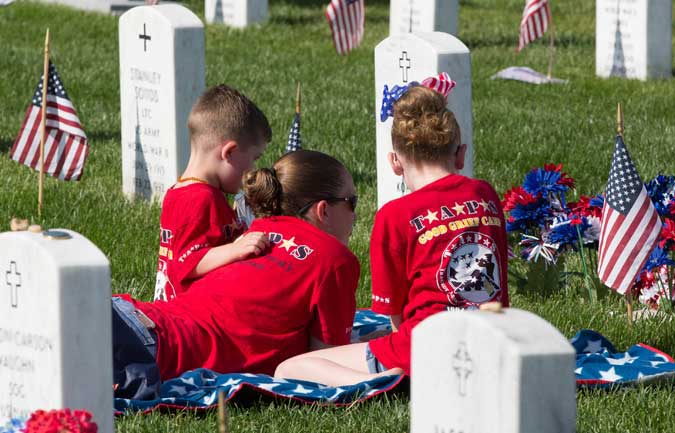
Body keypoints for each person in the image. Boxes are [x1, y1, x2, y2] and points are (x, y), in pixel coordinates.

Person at [275, 86, 508, 386]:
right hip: (493, 339)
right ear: (460, 155)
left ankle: (383, 380)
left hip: (425, 349)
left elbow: (395, 316)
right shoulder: (485, 193)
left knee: (289, 368)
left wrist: (392, 346)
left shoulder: (395, 215)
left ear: (394, 162)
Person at [113, 150, 364, 400]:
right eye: (351, 202)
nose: (355, 214)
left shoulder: (253, 232)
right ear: (324, 210)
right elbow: (324, 358)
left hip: (130, 316)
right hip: (145, 352)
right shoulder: (335, 259)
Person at [154, 84, 272, 301]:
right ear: (230, 152)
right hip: (188, 318)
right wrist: (237, 248)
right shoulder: (199, 198)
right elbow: (188, 263)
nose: (254, 169)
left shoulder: (187, 191)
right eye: (254, 158)